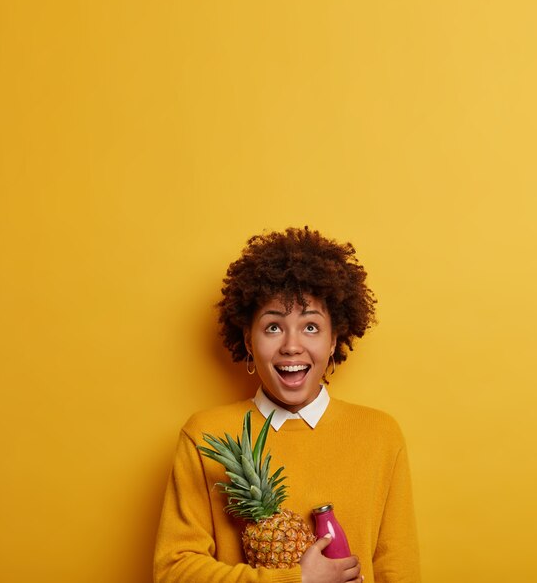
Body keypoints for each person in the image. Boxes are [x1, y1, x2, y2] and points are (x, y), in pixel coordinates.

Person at [154, 227, 421, 583]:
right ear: (248, 339)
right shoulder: (206, 436)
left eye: (311, 327)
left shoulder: (379, 434)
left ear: (333, 340)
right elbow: (173, 570)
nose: (292, 346)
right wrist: (298, 580)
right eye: (273, 328)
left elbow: (398, 569)